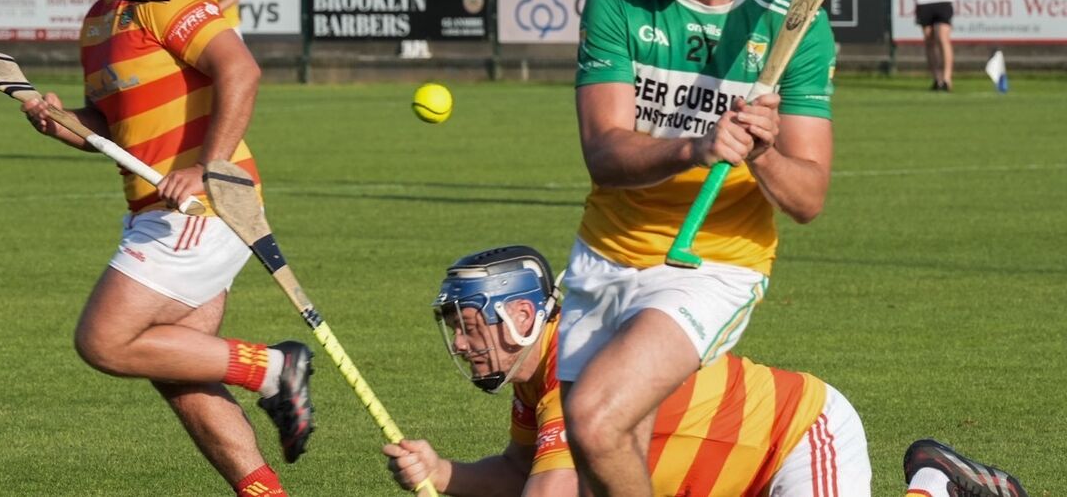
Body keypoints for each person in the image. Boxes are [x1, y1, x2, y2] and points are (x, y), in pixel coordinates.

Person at [19, 0, 312, 497]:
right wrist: (58, 122)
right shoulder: (98, 23)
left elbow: (242, 71)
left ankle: (273, 367)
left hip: (200, 206)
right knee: (178, 371)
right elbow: (108, 126)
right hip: (155, 204)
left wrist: (204, 166)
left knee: (103, 340)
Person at [563, 0, 836, 497]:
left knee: (595, 420)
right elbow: (604, 154)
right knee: (606, 448)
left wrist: (764, 151)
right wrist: (696, 145)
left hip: (713, 259)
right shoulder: (616, 1)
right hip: (605, 251)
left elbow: (807, 200)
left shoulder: (792, 22)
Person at [384, 246, 1029, 497]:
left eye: (470, 324)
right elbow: (523, 472)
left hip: (797, 439)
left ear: (521, 314)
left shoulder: (570, 372)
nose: (462, 343)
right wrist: (445, 473)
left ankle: (933, 486)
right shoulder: (534, 382)